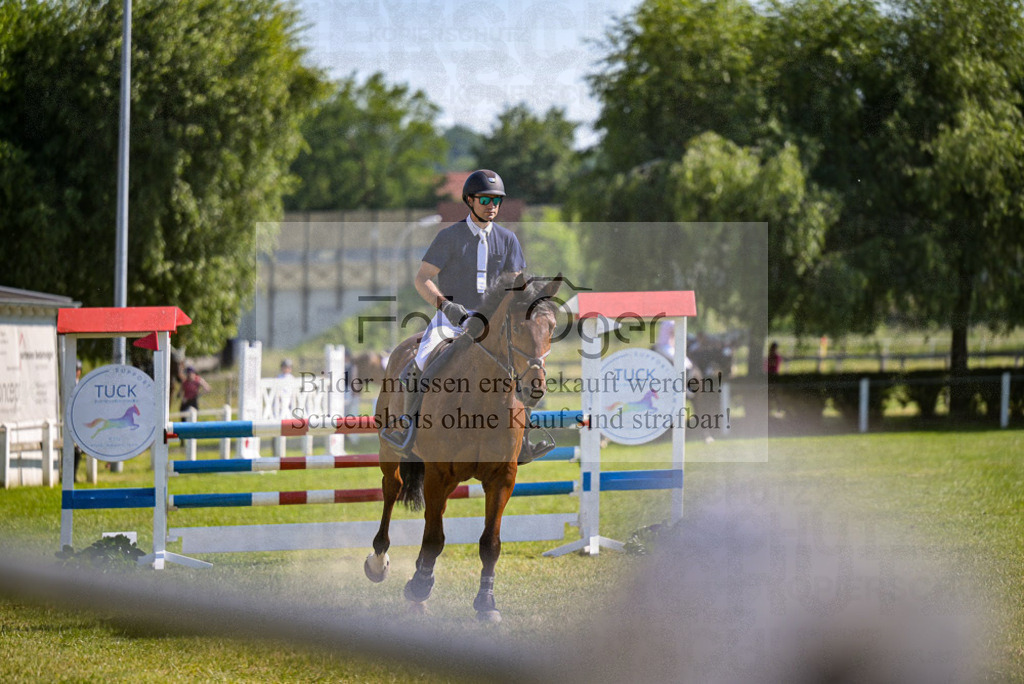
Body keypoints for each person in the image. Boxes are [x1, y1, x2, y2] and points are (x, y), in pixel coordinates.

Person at [381, 169, 551, 463]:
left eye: (496, 200)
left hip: (493, 324)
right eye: (485, 199)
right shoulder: (449, 237)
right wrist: (447, 306)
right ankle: (407, 429)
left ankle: (523, 437)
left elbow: (516, 287)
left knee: (522, 363)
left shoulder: (508, 240)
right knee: (421, 359)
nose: (492, 206)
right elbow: (422, 279)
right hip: (451, 319)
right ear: (469, 200)